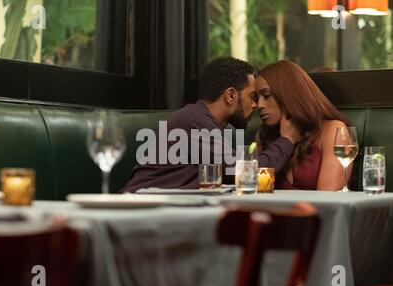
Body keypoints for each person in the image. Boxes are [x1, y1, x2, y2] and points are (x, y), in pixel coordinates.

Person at [122, 57, 299, 193]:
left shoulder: (203, 121)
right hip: (136, 211)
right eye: (252, 97)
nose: (256, 105)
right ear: (230, 96)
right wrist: (287, 139)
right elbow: (248, 174)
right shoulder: (196, 122)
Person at [255, 60, 351, 191]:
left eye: (266, 95)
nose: (259, 105)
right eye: (256, 97)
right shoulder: (264, 136)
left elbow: (329, 199)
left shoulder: (334, 131)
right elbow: (256, 192)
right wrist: (286, 140)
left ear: (288, 94)